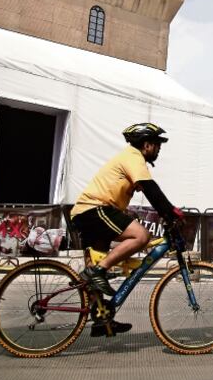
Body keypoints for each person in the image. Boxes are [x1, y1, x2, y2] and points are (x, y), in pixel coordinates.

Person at [69, 122, 184, 337]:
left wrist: (165, 212)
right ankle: (97, 272)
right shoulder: (133, 156)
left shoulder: (132, 160)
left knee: (98, 258)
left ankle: (102, 319)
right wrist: (171, 212)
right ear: (147, 144)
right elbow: (151, 189)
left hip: (89, 212)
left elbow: (149, 191)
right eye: (158, 144)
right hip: (94, 209)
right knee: (141, 236)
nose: (159, 149)